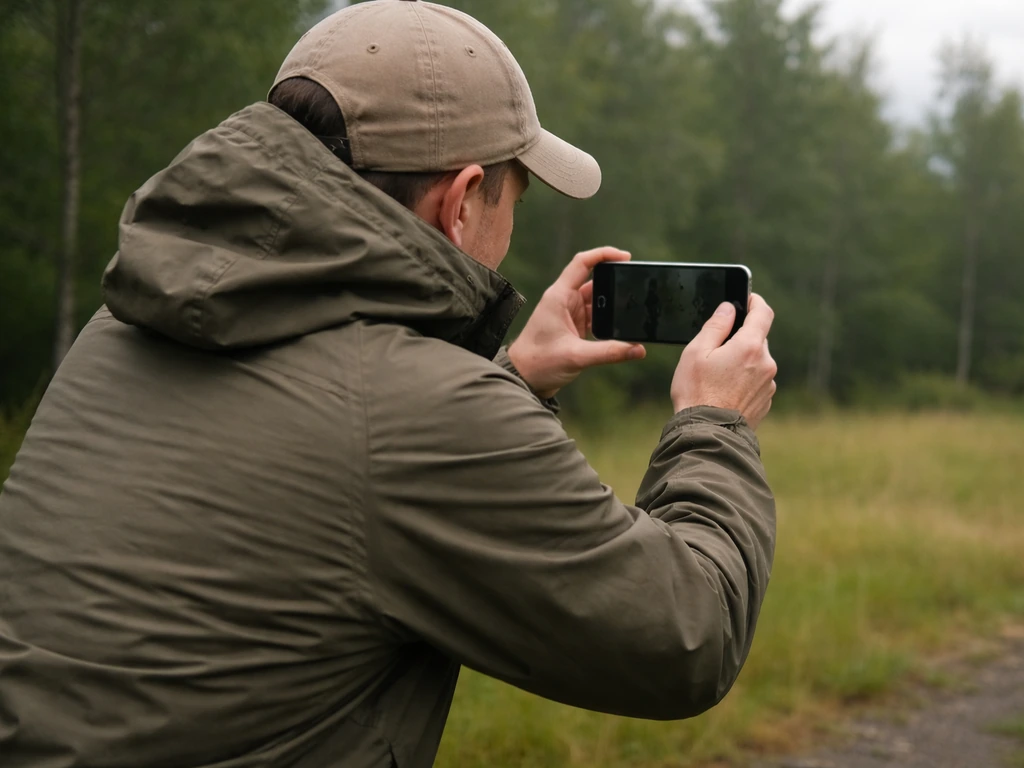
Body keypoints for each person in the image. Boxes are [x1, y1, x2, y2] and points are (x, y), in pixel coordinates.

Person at [0, 1, 778, 766]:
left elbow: (333, 462)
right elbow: (687, 635)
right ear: (463, 198)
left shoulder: (123, 324)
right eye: (516, 194)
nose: (513, 223)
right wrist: (715, 421)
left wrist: (510, 381)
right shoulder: (418, 414)